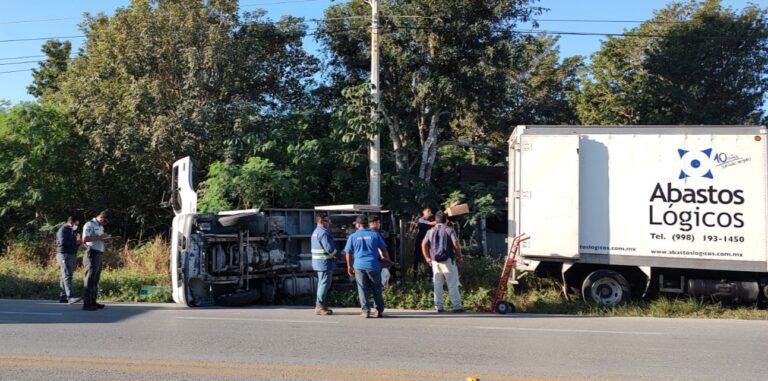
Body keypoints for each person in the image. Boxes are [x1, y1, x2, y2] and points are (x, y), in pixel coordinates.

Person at [344, 215, 390, 318]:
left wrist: (349, 266)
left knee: (362, 289)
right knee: (376, 288)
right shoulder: (375, 235)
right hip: (374, 265)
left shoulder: (353, 237)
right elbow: (384, 250)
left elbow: (348, 253)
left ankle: (365, 311)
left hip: (359, 266)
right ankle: (378, 310)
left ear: (358, 225)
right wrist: (386, 261)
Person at [421, 211, 464, 313]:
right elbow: (456, 244)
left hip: (435, 261)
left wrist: (427, 258)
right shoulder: (449, 230)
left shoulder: (430, 231)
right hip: (447, 260)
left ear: (436, 221)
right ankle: (456, 306)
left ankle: (439, 307)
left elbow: (423, 244)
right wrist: (459, 257)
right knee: (452, 283)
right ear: (446, 220)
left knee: (437, 283)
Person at [81, 210, 113, 311]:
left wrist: (106, 239)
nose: (105, 224)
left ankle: (93, 301)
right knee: (90, 279)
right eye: (105, 221)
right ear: (101, 217)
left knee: (95, 280)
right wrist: (100, 237)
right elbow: (84, 239)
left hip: (99, 253)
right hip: (92, 253)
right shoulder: (89, 224)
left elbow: (100, 239)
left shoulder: (100, 227)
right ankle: (87, 304)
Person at [310, 214, 339, 316]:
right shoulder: (324, 233)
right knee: (324, 284)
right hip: (324, 263)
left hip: (318, 262)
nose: (328, 224)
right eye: (327, 222)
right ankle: (319, 306)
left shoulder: (316, 232)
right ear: (321, 222)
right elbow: (330, 249)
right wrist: (338, 255)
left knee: (322, 284)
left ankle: (321, 305)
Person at [55, 216, 81, 304]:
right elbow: (63, 243)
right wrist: (75, 242)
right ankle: (70, 297)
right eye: (76, 224)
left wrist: (78, 243)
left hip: (71, 254)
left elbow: (73, 243)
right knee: (67, 275)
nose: (76, 226)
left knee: (64, 276)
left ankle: (63, 296)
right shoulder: (62, 230)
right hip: (64, 255)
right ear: (71, 222)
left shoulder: (72, 230)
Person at [412, 208, 436, 280]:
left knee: (430, 257)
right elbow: (431, 223)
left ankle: (430, 275)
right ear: (423, 213)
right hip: (420, 241)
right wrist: (439, 221)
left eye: (430, 211)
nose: (429, 212)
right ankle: (415, 275)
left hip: (429, 241)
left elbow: (440, 216)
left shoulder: (432, 218)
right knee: (416, 258)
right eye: (427, 211)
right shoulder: (421, 219)